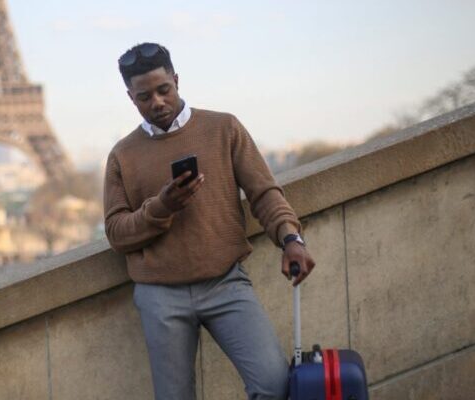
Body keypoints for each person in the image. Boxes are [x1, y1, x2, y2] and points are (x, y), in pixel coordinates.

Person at [103, 42, 316, 400]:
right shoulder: (122, 155)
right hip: (159, 295)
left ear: (176, 80)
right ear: (131, 98)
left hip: (225, 282)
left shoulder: (223, 128)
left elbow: (264, 192)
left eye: (163, 89)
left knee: (274, 385)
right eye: (144, 96)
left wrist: (291, 239)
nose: (156, 101)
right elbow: (116, 233)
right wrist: (162, 207)